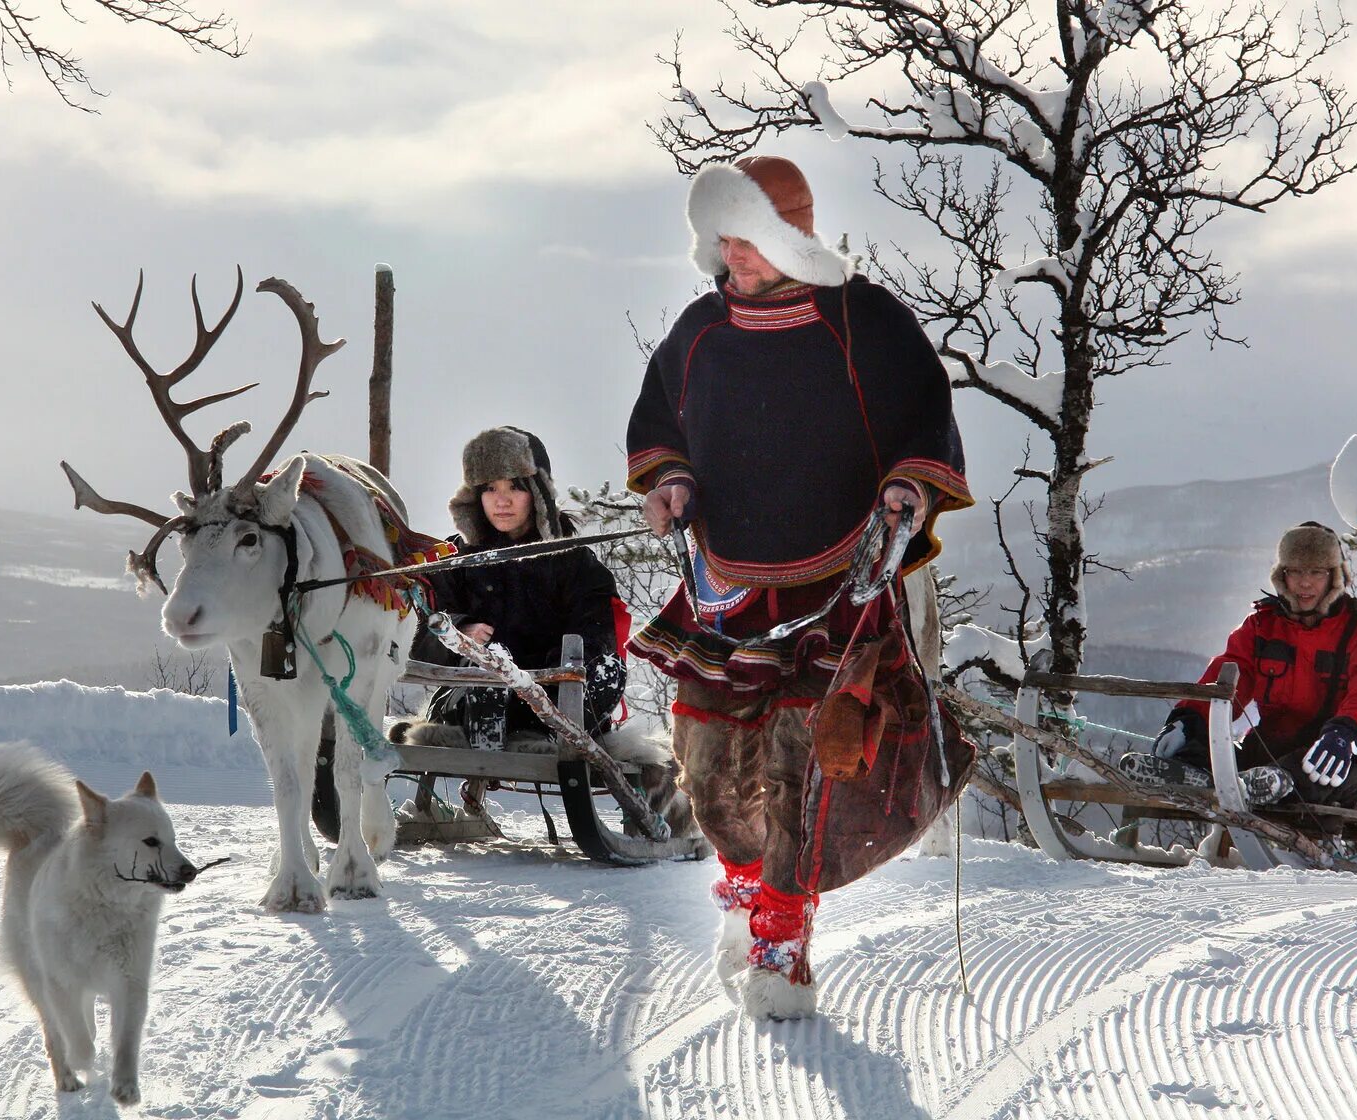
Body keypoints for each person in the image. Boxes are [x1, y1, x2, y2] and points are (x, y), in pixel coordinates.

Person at [626, 155, 973, 1020]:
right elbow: (661, 420)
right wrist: (668, 482)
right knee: (708, 766)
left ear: (787, 235)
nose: (728, 254)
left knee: (804, 764)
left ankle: (785, 938)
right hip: (728, 584)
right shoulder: (700, 328)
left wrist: (907, 484)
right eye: (722, 240)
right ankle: (748, 890)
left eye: (743, 238)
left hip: (837, 581)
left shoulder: (863, 319)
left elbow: (924, 416)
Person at [1121, 521, 1357, 809]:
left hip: (1343, 756)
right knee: (1218, 751)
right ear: (1282, 576)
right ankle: (1193, 773)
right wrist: (1187, 720)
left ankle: (1273, 783)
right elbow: (1228, 675)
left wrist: (1348, 730)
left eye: (1315, 572)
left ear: (1334, 577)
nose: (1304, 582)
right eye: (1294, 571)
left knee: (1320, 768)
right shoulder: (1262, 627)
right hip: (1270, 754)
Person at [392, 426, 627, 752]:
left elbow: (598, 629)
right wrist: (458, 630)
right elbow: (416, 626)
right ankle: (486, 739)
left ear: (537, 492)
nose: (501, 501)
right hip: (472, 700)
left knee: (607, 669)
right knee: (487, 673)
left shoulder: (574, 560)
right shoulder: (453, 558)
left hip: (557, 702)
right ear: (474, 496)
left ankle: (554, 735)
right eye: (489, 488)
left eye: (515, 487)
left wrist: (555, 671)